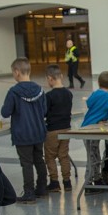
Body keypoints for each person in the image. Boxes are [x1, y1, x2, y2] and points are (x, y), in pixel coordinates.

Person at [1, 57, 48, 204]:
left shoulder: (14, 92)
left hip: (22, 133)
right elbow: (45, 110)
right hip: (39, 132)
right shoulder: (40, 90)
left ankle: (29, 192)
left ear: (17, 72)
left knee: (26, 163)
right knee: (39, 160)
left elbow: (5, 112)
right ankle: (42, 188)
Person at [43, 64, 74, 193]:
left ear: (50, 78)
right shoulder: (68, 93)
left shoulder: (49, 96)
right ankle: (67, 182)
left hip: (53, 130)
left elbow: (44, 112)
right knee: (64, 156)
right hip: (66, 128)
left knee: (50, 156)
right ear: (61, 76)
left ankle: (54, 182)